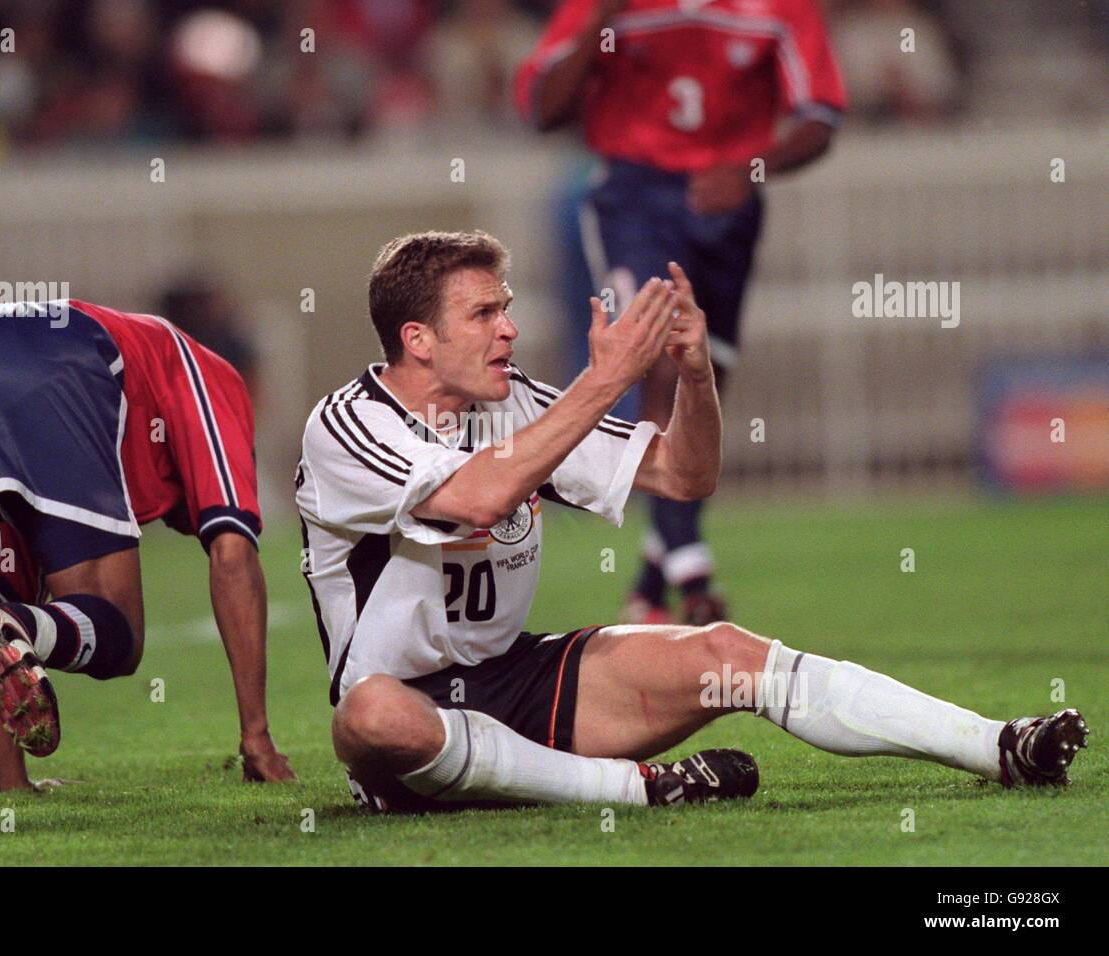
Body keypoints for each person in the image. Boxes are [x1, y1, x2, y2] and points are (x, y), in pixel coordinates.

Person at [295, 230, 1086, 812]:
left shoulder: (521, 406)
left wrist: (694, 378)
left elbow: (685, 473)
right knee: (372, 712)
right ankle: (636, 790)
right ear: (417, 340)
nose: (509, 327)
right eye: (484, 314)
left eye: (506, 308)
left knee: (727, 653)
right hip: (404, 715)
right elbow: (474, 498)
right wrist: (604, 383)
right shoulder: (349, 425)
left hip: (518, 682)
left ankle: (1000, 746)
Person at [0, 298, 294, 824]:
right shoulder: (213, 379)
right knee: (116, 628)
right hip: (51, 364)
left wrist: (13, 785)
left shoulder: (68, 458)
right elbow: (232, 553)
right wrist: (255, 737)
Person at [516, 0, 846, 625]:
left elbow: (822, 115)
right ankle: (692, 567)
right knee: (664, 353)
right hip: (634, 195)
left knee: (706, 379)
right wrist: (597, 24)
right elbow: (542, 107)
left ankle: (647, 587)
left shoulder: (778, 7)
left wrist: (751, 169)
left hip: (729, 201)